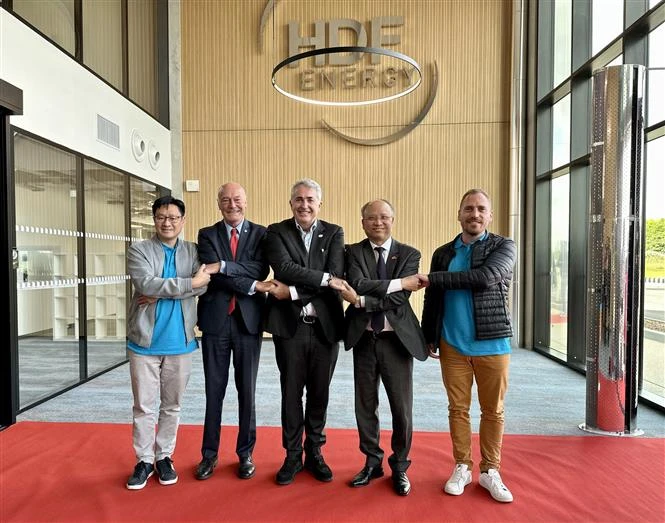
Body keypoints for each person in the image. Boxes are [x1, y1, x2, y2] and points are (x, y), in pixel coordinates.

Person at [419, 188, 517, 503]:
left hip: (493, 344)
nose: (474, 214)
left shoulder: (504, 246)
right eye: (468, 209)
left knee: (493, 411)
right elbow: (432, 298)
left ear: (489, 215)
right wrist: (428, 334)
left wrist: (434, 279)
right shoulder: (443, 253)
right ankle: (462, 465)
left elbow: (486, 277)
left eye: (481, 209)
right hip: (453, 346)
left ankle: (490, 471)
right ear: (459, 214)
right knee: (458, 409)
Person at [330, 199, 427, 497]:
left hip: (396, 341)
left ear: (393, 220)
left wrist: (360, 300)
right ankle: (372, 461)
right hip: (364, 339)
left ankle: (400, 466)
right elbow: (357, 281)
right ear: (362, 222)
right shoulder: (353, 252)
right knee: (365, 406)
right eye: (371, 218)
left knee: (402, 408)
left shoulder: (409, 253)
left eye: (384, 217)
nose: (378, 222)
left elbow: (397, 300)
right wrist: (399, 283)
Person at [125, 196, 211, 490]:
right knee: (144, 406)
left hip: (181, 342)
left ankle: (164, 456)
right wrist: (189, 284)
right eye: (161, 217)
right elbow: (145, 284)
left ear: (182, 221)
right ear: (154, 220)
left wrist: (166, 290)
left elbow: (205, 284)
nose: (167, 222)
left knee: (172, 405)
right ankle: (143, 460)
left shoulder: (193, 251)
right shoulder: (140, 250)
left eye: (173, 217)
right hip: (144, 343)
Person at [263, 178, 345, 486]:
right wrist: (325, 281)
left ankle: (315, 453)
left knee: (320, 394)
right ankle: (292, 456)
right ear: (291, 203)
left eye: (310, 199)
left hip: (325, 328)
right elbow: (283, 269)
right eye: (298, 199)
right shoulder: (277, 231)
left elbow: (338, 275)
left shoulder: (334, 232)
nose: (304, 204)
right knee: (291, 394)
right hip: (290, 329)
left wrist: (294, 293)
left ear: (319, 203)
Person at [194, 182, 273, 481]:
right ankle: (209, 455)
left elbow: (260, 270)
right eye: (226, 200)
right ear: (218, 203)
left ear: (246, 201)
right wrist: (242, 277)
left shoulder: (262, 233)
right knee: (214, 391)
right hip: (216, 321)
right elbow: (214, 278)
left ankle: (245, 453)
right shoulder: (207, 234)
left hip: (248, 323)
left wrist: (223, 265)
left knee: (246, 391)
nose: (232, 204)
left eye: (237, 199)